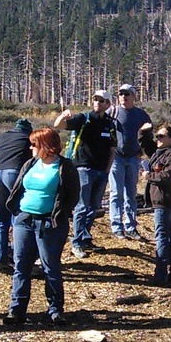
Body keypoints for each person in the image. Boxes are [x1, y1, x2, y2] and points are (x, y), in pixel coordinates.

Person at [3, 127, 80, 328]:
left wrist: (60, 213)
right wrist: (17, 212)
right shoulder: (30, 164)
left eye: (34, 144)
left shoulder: (64, 166)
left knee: (50, 266)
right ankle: (16, 310)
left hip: (50, 223)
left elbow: (73, 195)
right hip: (24, 219)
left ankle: (55, 310)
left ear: (46, 146)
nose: (30, 148)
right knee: (21, 265)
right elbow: (19, 188)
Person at [54, 90, 116, 260]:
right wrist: (63, 116)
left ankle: (85, 237)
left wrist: (107, 170)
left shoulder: (110, 124)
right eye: (95, 99)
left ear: (108, 104)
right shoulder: (83, 118)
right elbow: (59, 126)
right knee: (81, 207)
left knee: (94, 207)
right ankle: (77, 243)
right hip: (82, 168)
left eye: (101, 100)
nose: (97, 102)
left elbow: (112, 149)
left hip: (101, 171)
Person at [0, 118, 34, 274]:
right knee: (20, 219)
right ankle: (22, 262)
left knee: (1, 220)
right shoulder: (29, 139)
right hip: (15, 174)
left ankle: (0, 261)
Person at [108, 84, 153, 240]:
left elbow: (149, 137)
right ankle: (116, 226)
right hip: (116, 157)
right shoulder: (112, 112)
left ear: (134, 96)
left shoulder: (141, 115)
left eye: (126, 94)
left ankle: (131, 226)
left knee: (131, 193)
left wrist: (143, 152)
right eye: (121, 94)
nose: (123, 97)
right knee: (116, 193)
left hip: (133, 158)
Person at [141, 123, 171, 285]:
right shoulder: (158, 153)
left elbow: (167, 176)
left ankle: (160, 275)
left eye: (161, 136)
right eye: (156, 136)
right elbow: (145, 144)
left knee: (162, 237)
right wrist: (144, 132)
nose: (157, 139)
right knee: (168, 236)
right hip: (160, 200)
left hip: (165, 200)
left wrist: (148, 176)